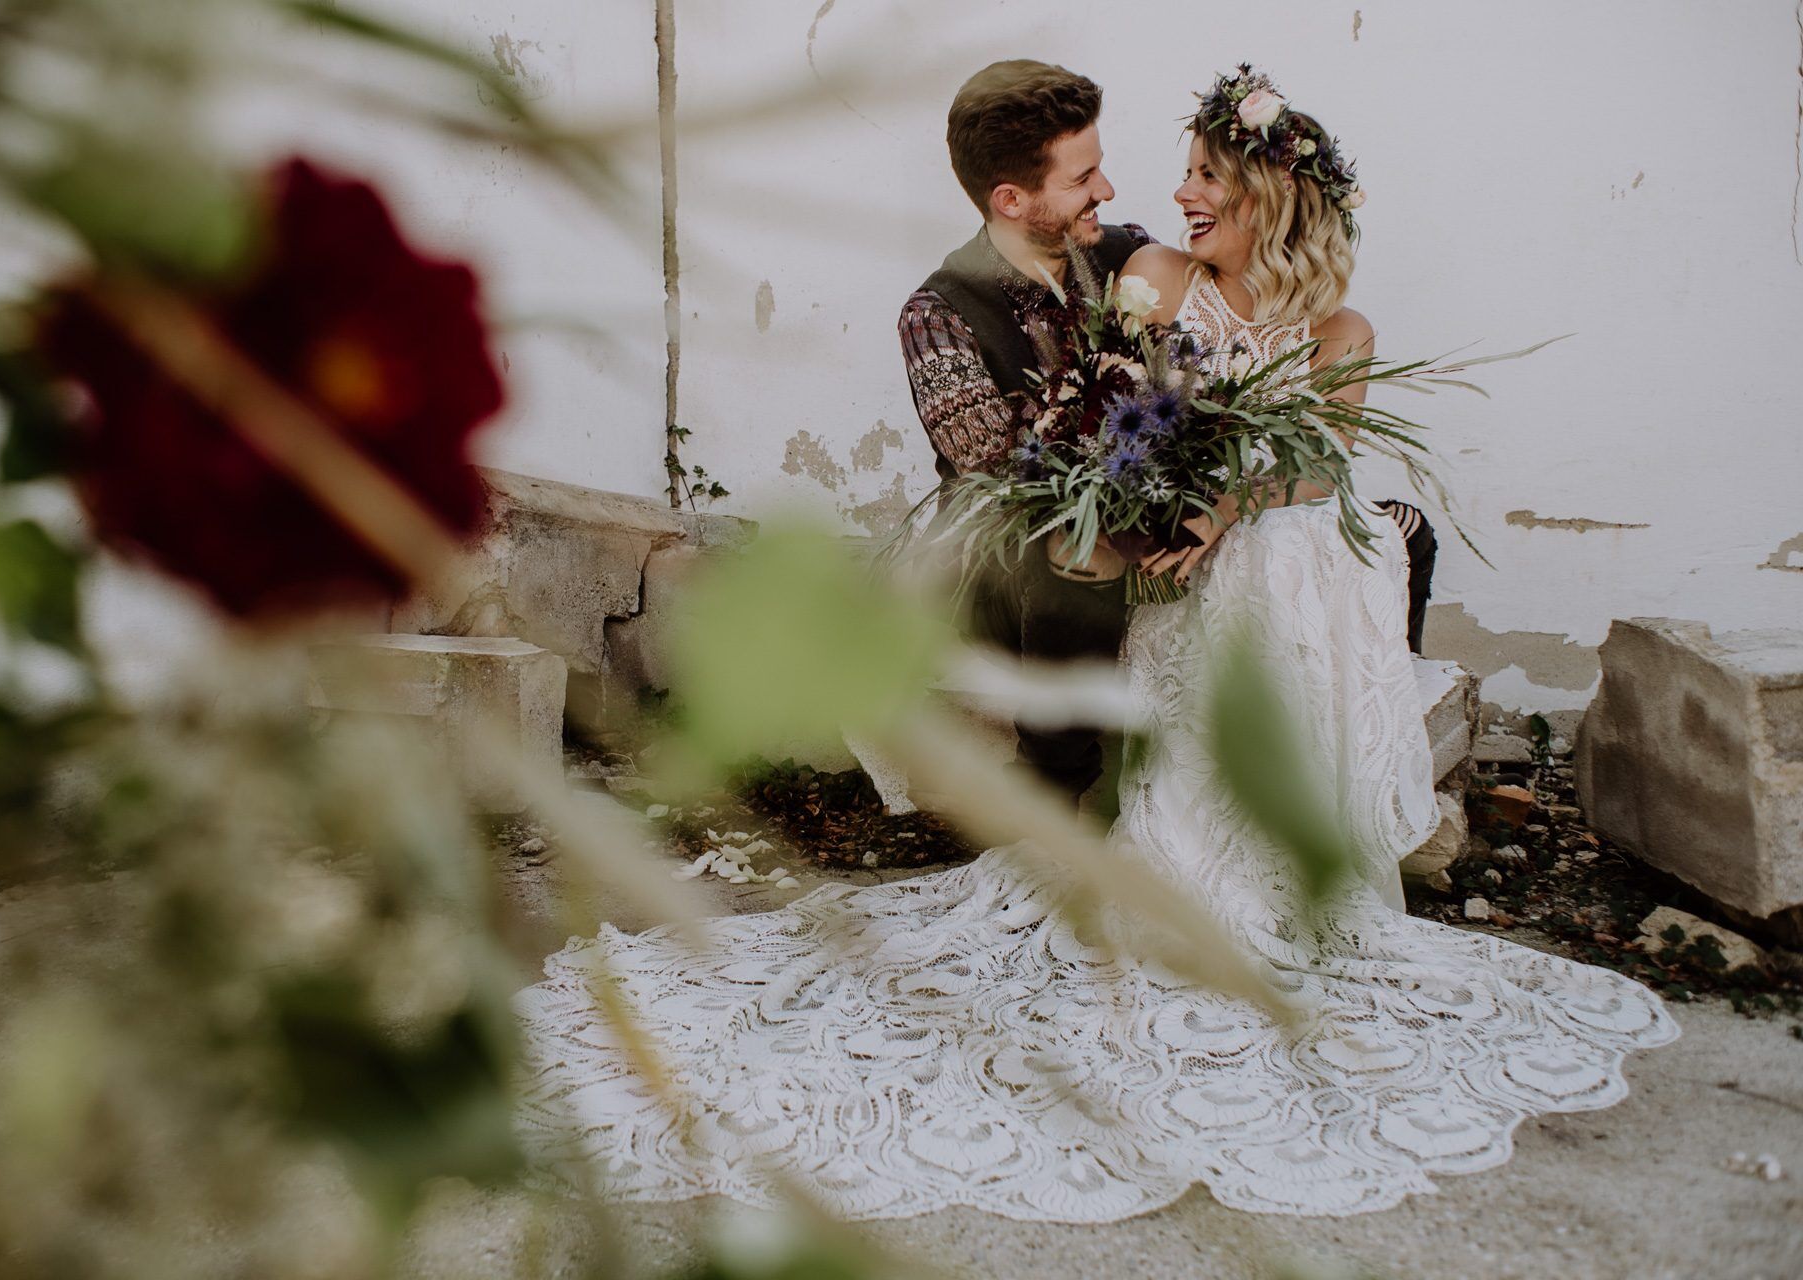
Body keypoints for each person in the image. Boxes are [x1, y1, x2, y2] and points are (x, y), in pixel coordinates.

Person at [512, 66, 1676, 1222]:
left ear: (1271, 197)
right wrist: (1154, 516)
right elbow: (1060, 453)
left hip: (1264, 546)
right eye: (1098, 173)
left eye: (1199, 174)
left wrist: (1222, 502)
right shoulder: (1030, 300)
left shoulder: (1287, 311)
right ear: (1016, 197)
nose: (1149, 194)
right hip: (1075, 553)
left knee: (1326, 585)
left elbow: (1305, 457)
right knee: (1149, 711)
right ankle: (1123, 827)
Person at [897, 60, 1144, 803]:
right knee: (1068, 552)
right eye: (1083, 177)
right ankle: (1053, 800)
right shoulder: (936, 315)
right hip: (1005, 560)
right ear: (1011, 199)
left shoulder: (1128, 256)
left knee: (1384, 532)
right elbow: (1010, 482)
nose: (1106, 190)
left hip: (1139, 515)